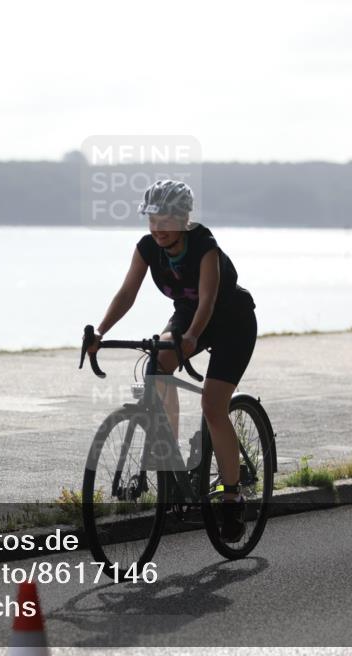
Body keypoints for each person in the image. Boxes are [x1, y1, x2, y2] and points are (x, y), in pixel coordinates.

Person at [88, 180, 257, 542]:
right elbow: (128, 292)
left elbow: (209, 301)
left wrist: (193, 338)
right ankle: (173, 460)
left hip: (231, 322)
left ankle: (232, 497)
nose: (158, 228)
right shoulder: (148, 248)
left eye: (165, 220)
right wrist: (100, 331)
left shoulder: (204, 244)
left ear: (183, 218)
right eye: (152, 219)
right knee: (157, 363)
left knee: (213, 406)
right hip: (187, 316)